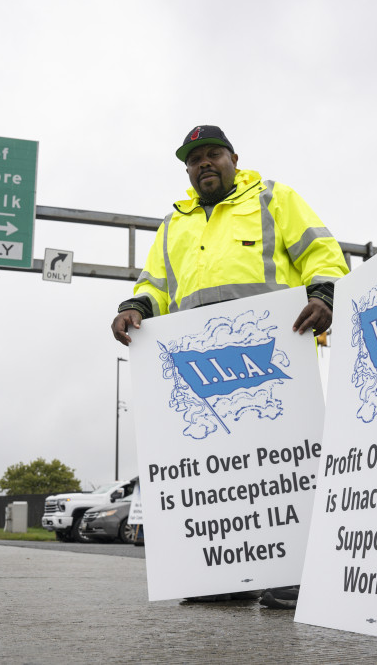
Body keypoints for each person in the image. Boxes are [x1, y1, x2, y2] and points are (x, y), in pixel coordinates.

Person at [112, 125, 349, 609]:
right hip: (201, 370)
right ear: (187, 170)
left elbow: (321, 253)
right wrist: (136, 306)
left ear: (234, 158)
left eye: (213, 154)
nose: (204, 164)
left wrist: (324, 294)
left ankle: (293, 576)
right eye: (194, 158)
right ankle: (224, 576)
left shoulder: (273, 198)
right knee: (217, 472)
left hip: (273, 358)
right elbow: (155, 283)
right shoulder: (175, 223)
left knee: (282, 468)